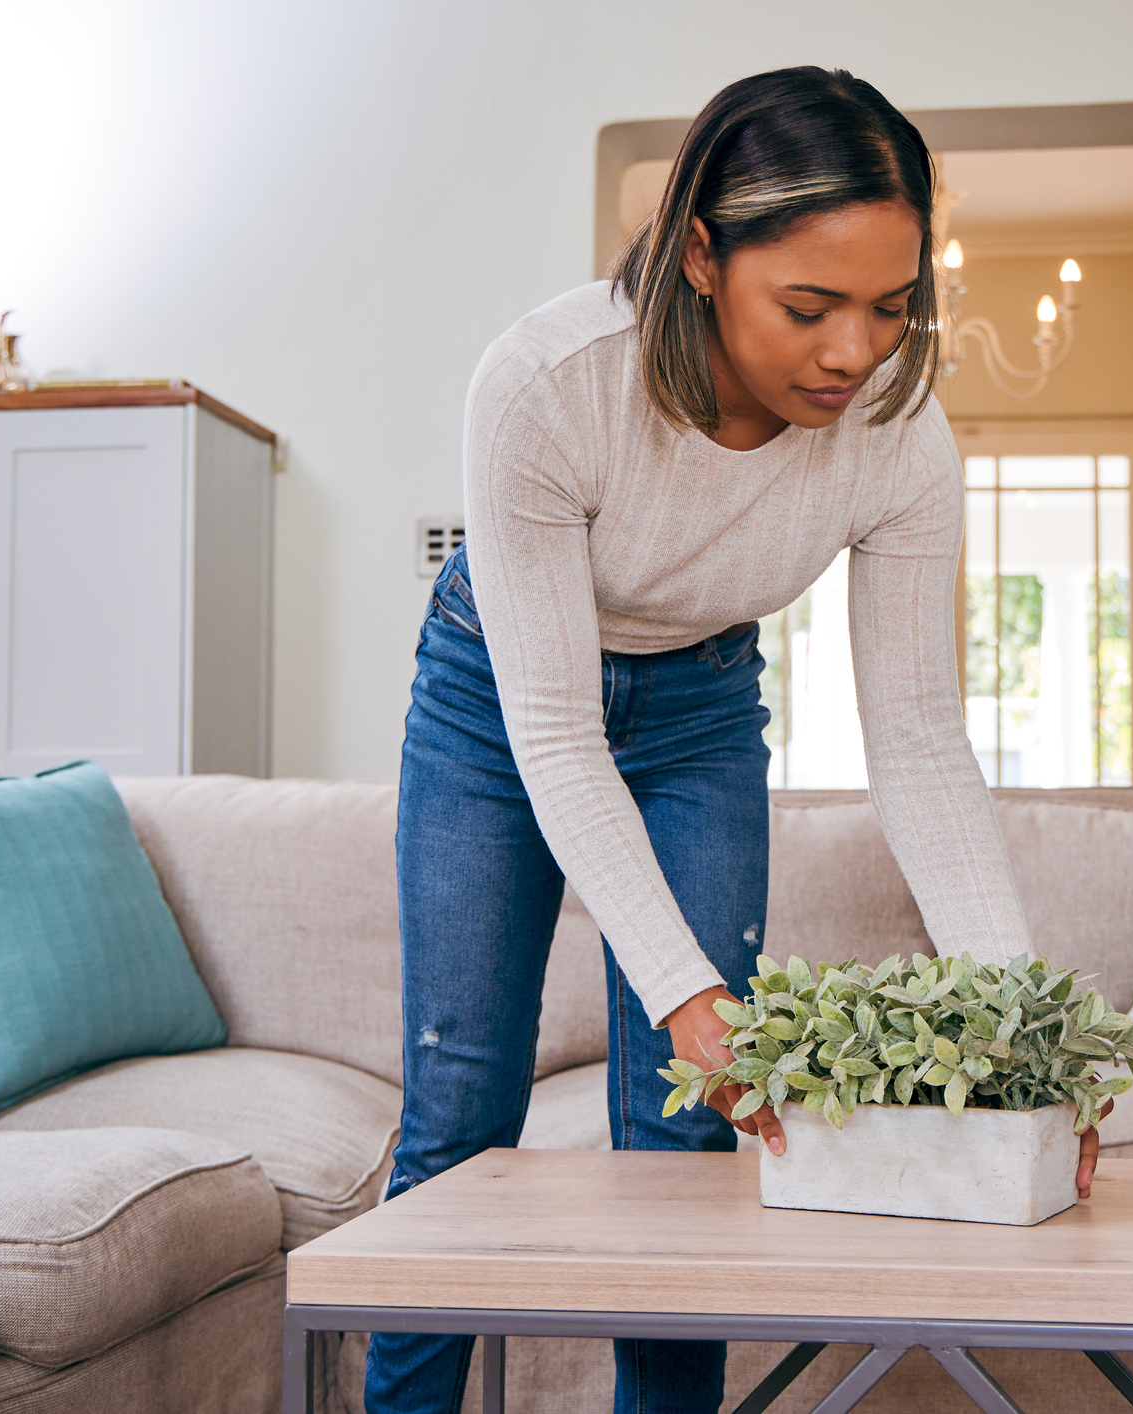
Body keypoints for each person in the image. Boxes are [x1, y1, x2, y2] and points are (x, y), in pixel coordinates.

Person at [368, 65, 1095, 1414]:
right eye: (808, 307)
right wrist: (683, 994)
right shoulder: (544, 384)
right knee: (461, 1106)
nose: (850, 353)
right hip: (495, 697)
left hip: (700, 702)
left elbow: (922, 747)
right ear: (701, 252)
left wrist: (1026, 1032)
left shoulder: (897, 437)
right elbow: (553, 727)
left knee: (689, 1128)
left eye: (891, 308)